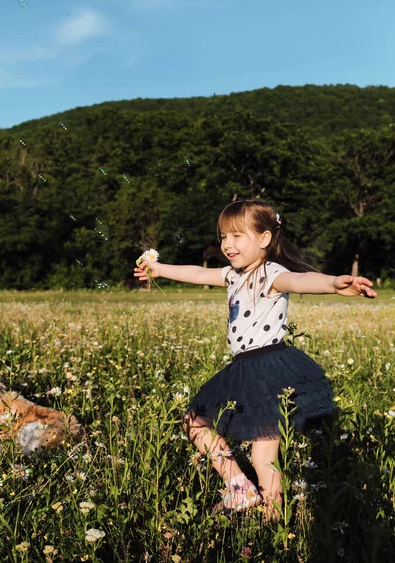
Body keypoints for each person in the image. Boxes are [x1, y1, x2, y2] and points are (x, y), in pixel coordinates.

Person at [134, 199, 377, 519]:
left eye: (237, 236)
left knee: (263, 452)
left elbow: (300, 280)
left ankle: (274, 521)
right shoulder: (232, 275)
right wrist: (159, 269)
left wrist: (334, 283)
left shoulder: (271, 273)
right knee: (194, 421)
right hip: (243, 368)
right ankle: (239, 488)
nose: (227, 244)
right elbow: (195, 272)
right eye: (223, 237)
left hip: (270, 368)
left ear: (264, 239)